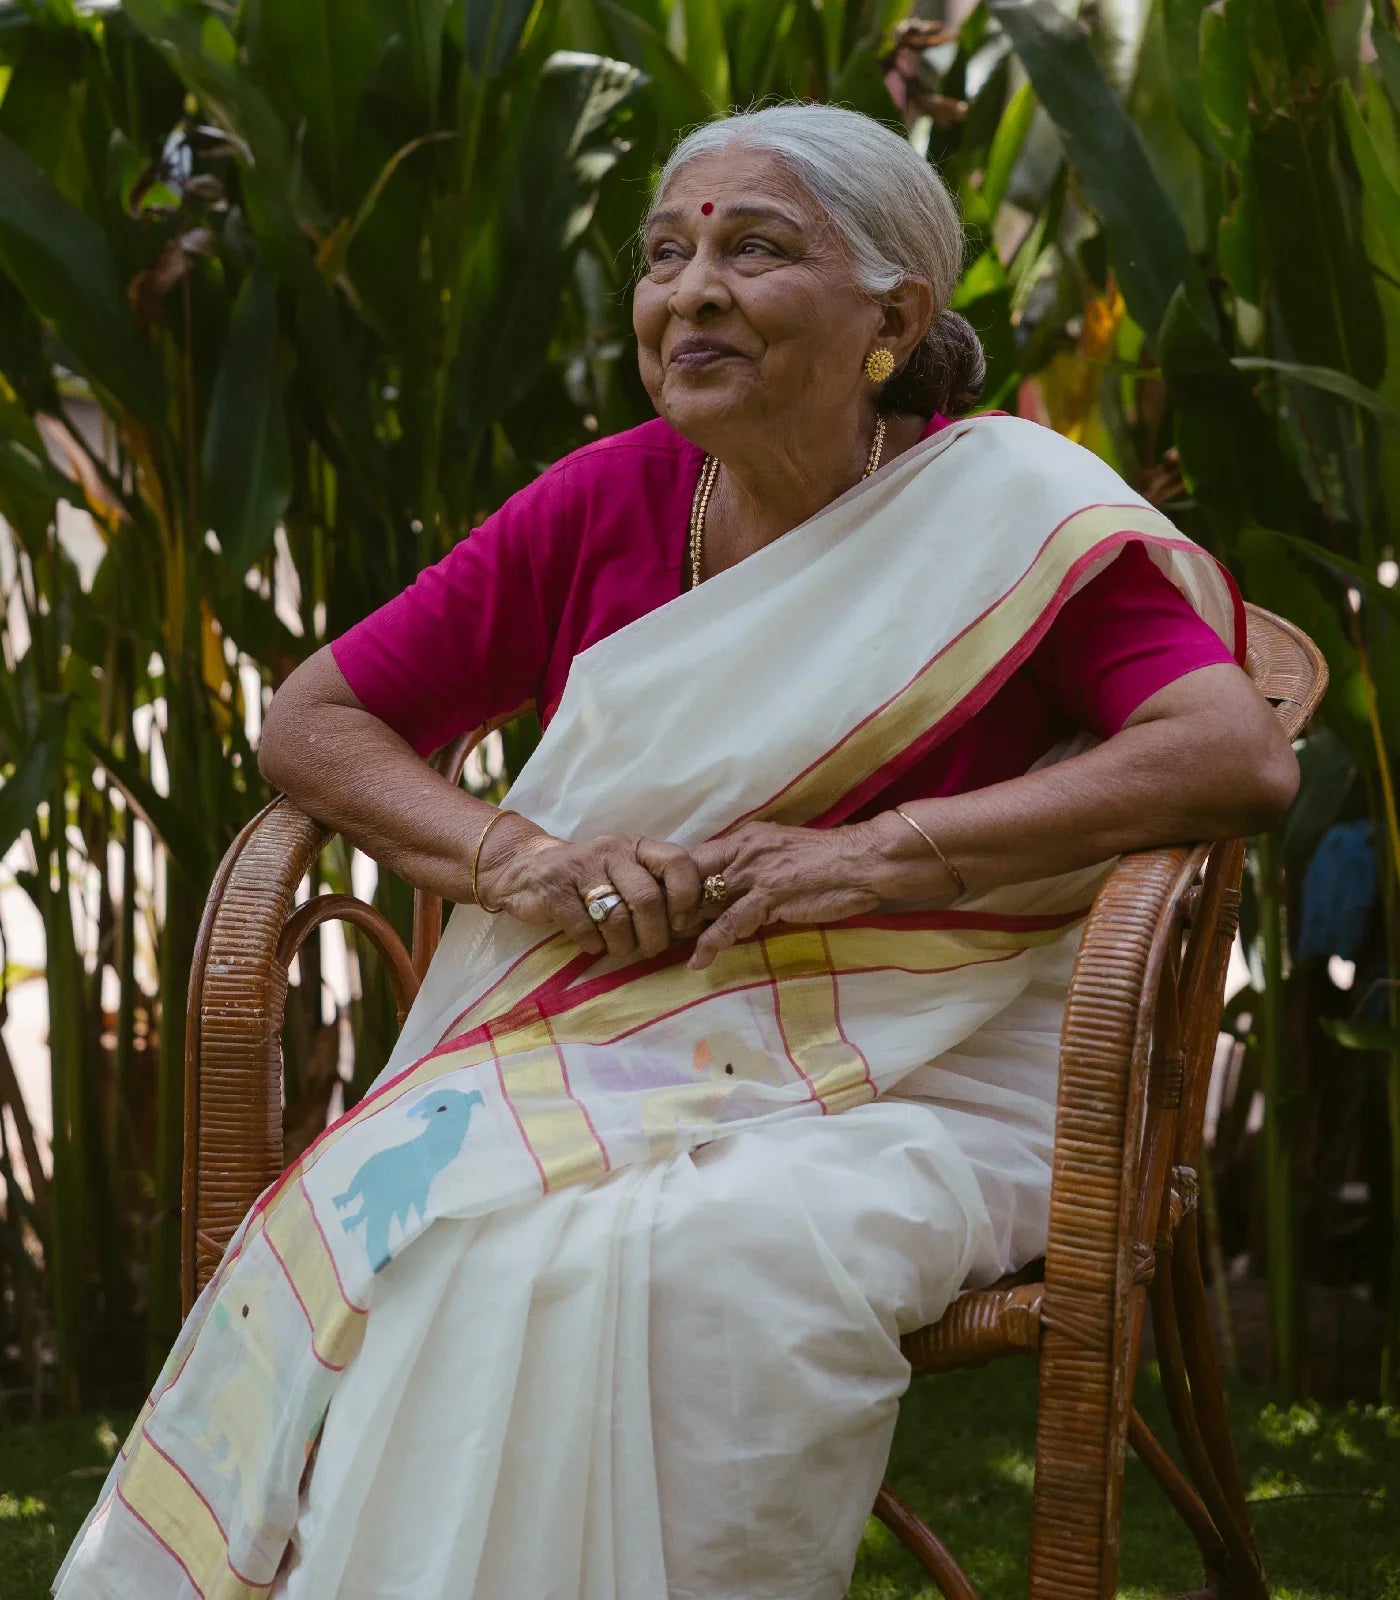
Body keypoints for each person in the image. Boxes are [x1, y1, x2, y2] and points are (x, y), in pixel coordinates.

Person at [56, 103, 1297, 1600]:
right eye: (663, 255)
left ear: (894, 319)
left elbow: (1229, 756)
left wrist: (881, 857)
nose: (690, 291)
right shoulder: (609, 500)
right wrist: (520, 860)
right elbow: (316, 720)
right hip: (616, 1038)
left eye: (753, 250)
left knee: (730, 1257)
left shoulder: (1014, 515)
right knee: (437, 1231)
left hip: (944, 1066)